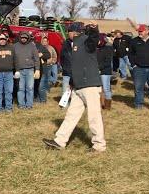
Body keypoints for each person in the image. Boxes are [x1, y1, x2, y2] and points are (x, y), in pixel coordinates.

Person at [43, 24, 106, 152]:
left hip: (90, 85)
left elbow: (94, 40)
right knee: (71, 115)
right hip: (78, 86)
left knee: (94, 116)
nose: (67, 34)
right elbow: (76, 66)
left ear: (75, 32)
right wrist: (72, 82)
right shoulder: (73, 44)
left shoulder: (86, 41)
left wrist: (94, 29)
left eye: (68, 31)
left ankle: (99, 145)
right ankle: (59, 141)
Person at [128, 24, 149, 109]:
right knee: (138, 87)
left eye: (141, 31)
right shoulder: (134, 41)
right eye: (138, 31)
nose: (139, 32)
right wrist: (134, 65)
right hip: (139, 68)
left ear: (147, 31)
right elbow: (130, 54)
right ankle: (138, 105)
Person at [13, 31, 40, 109]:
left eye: (25, 37)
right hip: (19, 70)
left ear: (28, 38)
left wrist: (37, 69)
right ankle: (21, 105)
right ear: (20, 37)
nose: (23, 39)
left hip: (30, 70)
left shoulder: (32, 46)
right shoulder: (15, 46)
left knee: (30, 88)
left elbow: (36, 58)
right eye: (22, 37)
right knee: (20, 88)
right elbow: (12, 58)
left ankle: (29, 105)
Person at [96, 33, 113, 110]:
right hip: (96, 71)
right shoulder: (95, 49)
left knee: (106, 88)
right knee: (98, 89)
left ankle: (107, 106)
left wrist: (100, 68)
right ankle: (99, 104)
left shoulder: (108, 48)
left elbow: (107, 61)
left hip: (105, 71)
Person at [37, 35, 55, 103]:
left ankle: (43, 99)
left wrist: (52, 62)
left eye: (45, 41)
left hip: (47, 66)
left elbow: (53, 56)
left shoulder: (50, 48)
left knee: (45, 82)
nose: (44, 42)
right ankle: (39, 98)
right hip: (39, 68)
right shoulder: (37, 47)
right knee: (39, 84)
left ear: (47, 42)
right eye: (43, 41)